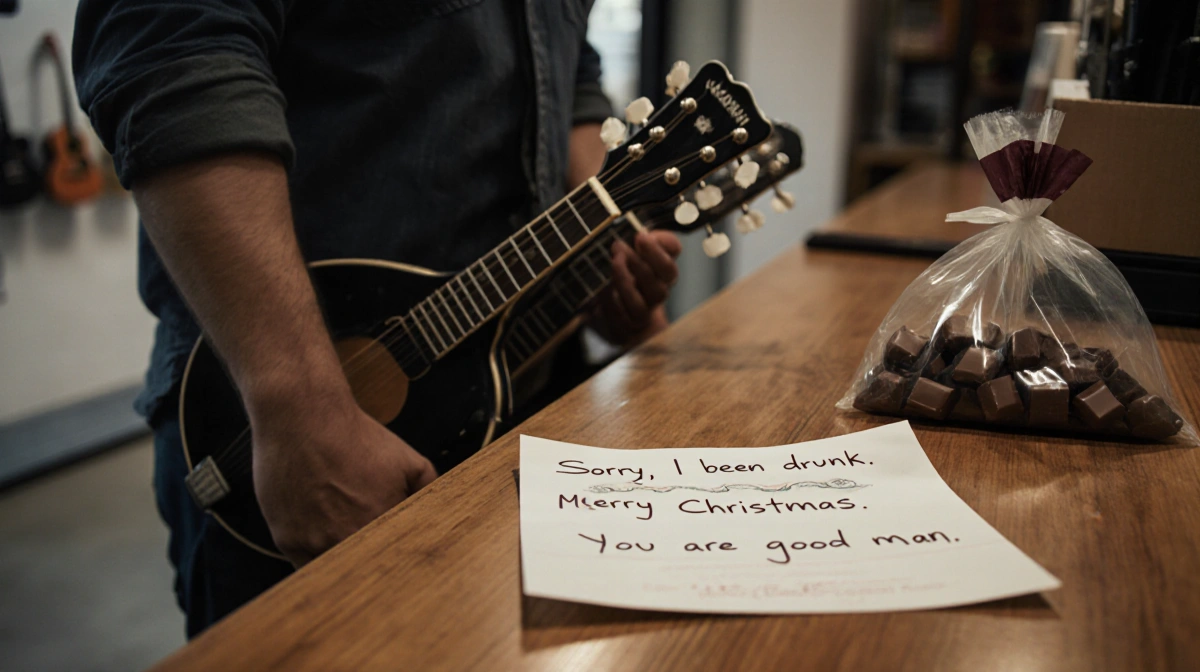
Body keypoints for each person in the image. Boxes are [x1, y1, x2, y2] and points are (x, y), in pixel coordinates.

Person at [73, 0, 681, 637]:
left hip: (515, 395)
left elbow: (571, 73)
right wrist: (300, 406)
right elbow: (172, 53)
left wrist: (598, 250)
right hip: (295, 432)